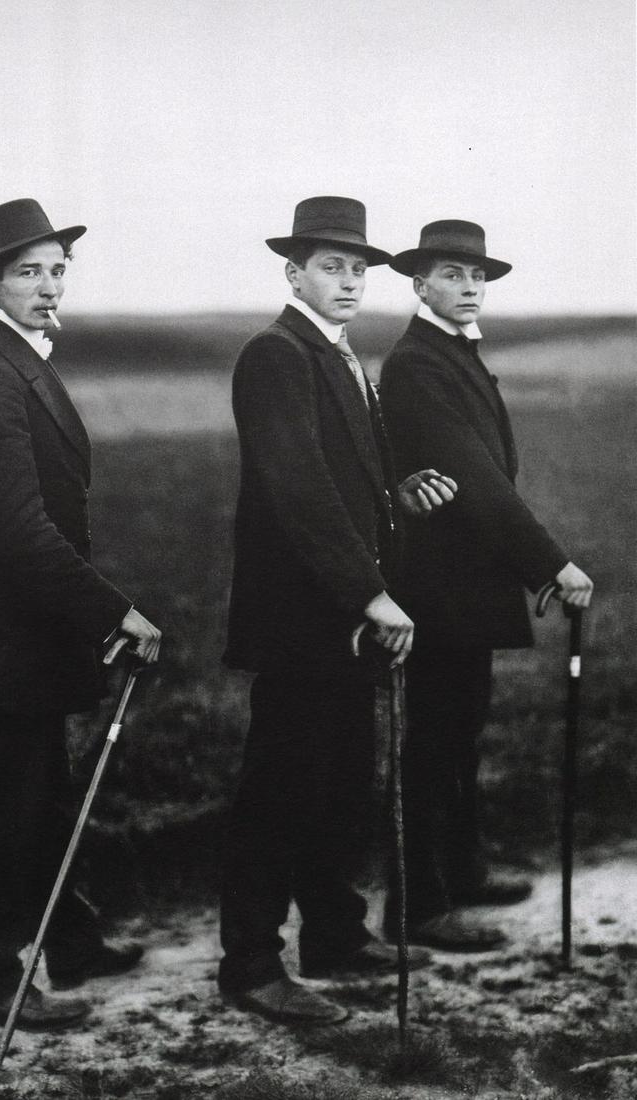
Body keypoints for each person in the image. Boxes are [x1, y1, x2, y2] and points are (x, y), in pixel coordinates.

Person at [219, 196, 457, 1024]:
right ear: (295, 272)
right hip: (300, 620)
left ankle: (334, 934)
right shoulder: (276, 354)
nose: (350, 279)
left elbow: (345, 481)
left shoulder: (341, 355)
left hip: (342, 619)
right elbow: (299, 490)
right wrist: (371, 592)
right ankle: (250, 964)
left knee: (338, 784)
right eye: (332, 265)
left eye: (359, 267)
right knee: (280, 788)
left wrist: (397, 493)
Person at [0, 198, 161, 1028]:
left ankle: (71, 943)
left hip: (28, 630)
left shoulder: (14, 357)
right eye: (29, 271)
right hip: (9, 635)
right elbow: (17, 527)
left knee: (46, 792)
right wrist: (114, 613)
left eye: (58, 269)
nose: (49, 285)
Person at [379, 220, 593, 951]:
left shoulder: (451, 353)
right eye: (452, 274)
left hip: (467, 583)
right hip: (437, 586)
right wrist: (549, 563)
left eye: (477, 276)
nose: (469, 287)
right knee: (436, 741)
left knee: (460, 735)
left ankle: (462, 871)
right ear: (420, 284)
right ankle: (417, 903)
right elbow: (473, 477)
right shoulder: (416, 364)